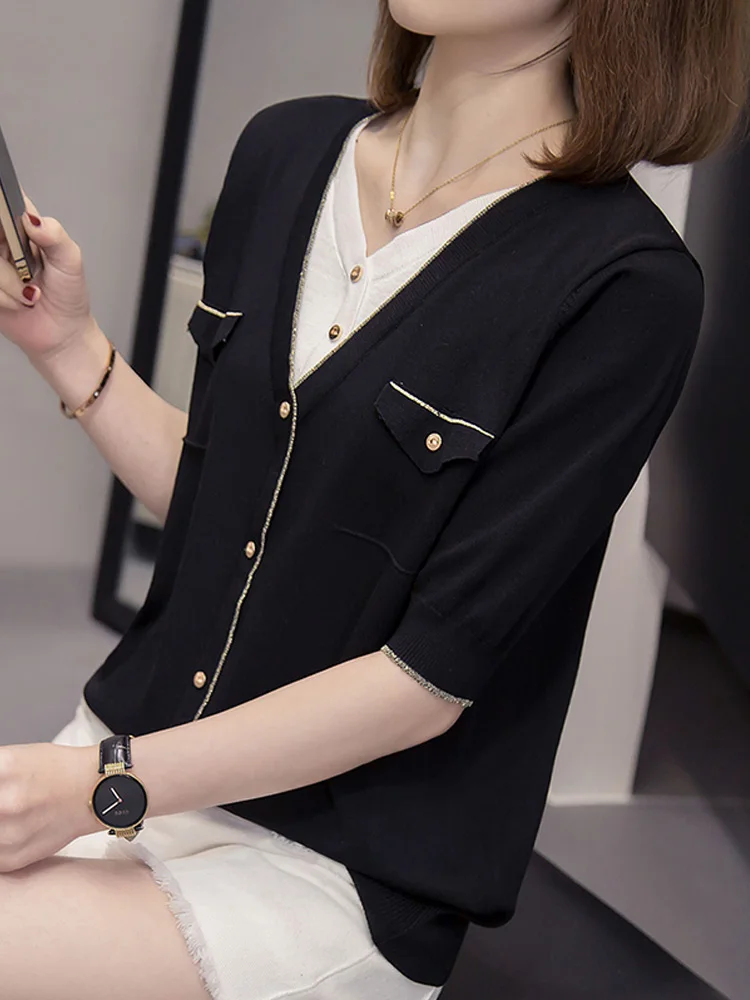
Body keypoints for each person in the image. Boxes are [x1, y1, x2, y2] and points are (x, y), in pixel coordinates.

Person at [0, 1, 747, 997]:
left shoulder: (625, 286)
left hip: (329, 862)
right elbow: (233, 510)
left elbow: (425, 681)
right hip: (138, 750)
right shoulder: (284, 151)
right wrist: (69, 345)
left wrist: (104, 786)